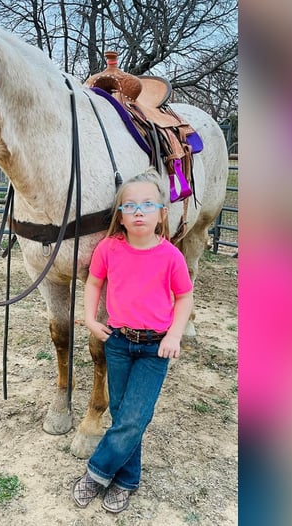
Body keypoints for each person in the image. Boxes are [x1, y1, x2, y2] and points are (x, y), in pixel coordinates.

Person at [71, 168, 194, 514]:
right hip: (119, 343)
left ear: (161, 213)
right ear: (121, 217)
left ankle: (97, 472)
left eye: (148, 204)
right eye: (130, 206)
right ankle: (127, 479)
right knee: (123, 414)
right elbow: (94, 283)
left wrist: (174, 334)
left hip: (155, 349)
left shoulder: (171, 256)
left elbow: (185, 297)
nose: (139, 211)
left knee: (135, 417)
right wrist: (92, 320)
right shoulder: (109, 249)